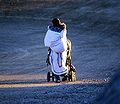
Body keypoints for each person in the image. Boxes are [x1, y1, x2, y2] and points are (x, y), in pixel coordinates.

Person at [44, 18, 68, 83]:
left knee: (54, 60)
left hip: (54, 48)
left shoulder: (50, 30)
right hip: (62, 48)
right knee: (62, 59)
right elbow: (63, 37)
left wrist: (52, 44)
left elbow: (47, 40)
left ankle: (57, 76)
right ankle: (64, 73)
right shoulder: (63, 29)